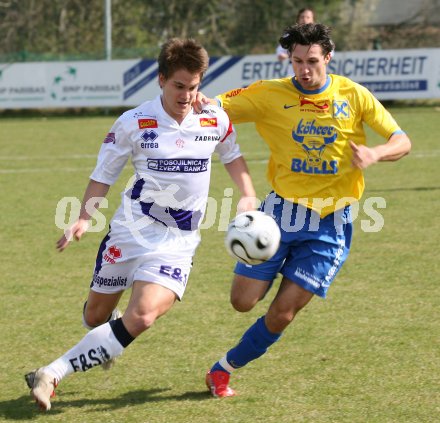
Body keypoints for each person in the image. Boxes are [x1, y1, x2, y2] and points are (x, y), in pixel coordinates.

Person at [24, 37, 256, 411]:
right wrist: (84, 217)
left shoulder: (215, 118)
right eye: (178, 86)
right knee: (95, 316)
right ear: (161, 80)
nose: (186, 95)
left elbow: (233, 156)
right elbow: (104, 175)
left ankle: (51, 373)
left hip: (178, 242)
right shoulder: (134, 123)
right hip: (129, 233)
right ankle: (107, 329)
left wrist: (247, 193)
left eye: (193, 87)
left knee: (144, 314)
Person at [198, 23, 412, 397]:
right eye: (297, 61)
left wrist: (376, 153)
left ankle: (223, 369)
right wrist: (194, 103)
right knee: (242, 302)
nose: (304, 70)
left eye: (312, 61)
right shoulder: (268, 94)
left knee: (281, 314)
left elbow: (402, 140)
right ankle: (265, 280)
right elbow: (215, 105)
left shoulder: (354, 95)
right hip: (280, 214)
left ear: (327, 58)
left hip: (330, 225)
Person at [276, 7, 315, 76]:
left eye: (308, 17)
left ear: (313, 20)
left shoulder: (318, 35)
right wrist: (282, 55)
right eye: (302, 17)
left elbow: (330, 51)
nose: (304, 19)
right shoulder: (291, 35)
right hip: (294, 72)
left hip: (313, 70)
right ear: (298, 19)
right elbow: (281, 51)